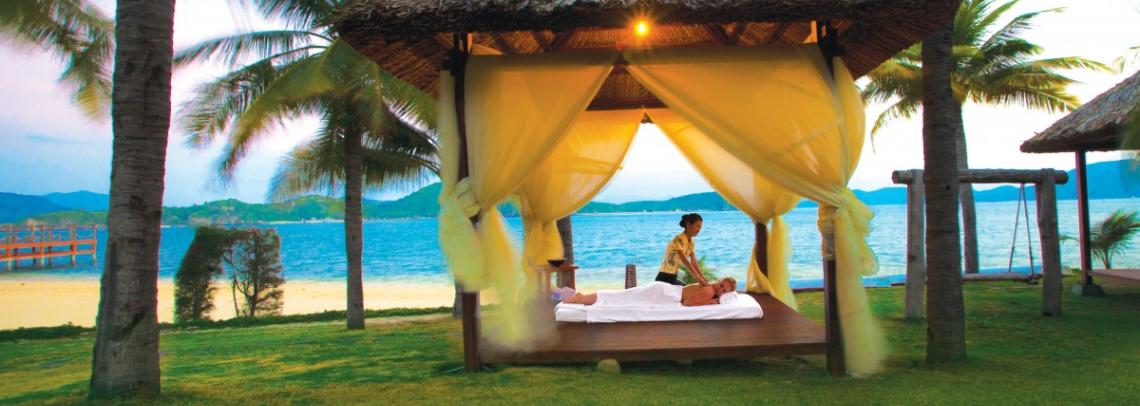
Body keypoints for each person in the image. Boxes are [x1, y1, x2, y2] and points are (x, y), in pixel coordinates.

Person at [561, 277, 737, 307]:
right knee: (621, 298)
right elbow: (688, 303)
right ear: (719, 280)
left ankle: (582, 297)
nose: (720, 289)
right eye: (722, 285)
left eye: (724, 290)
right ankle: (581, 298)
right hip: (664, 293)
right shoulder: (709, 291)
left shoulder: (707, 285)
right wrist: (710, 302)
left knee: (622, 297)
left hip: (663, 290)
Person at [656, 213, 708, 286]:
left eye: (700, 228)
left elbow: (694, 262)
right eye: (697, 226)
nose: (699, 230)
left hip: (673, 277)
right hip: (663, 278)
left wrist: (703, 278)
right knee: (687, 290)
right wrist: (699, 279)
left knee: (689, 289)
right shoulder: (678, 239)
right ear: (688, 224)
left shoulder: (691, 242)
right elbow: (685, 261)